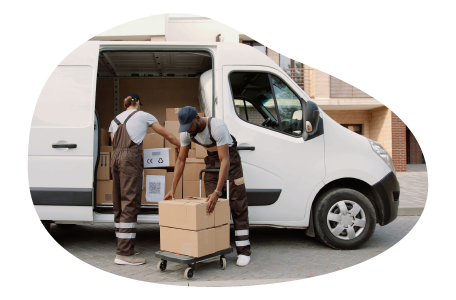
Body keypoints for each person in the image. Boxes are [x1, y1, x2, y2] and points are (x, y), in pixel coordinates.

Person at [164, 106, 251, 267]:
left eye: (189, 126)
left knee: (237, 205)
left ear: (197, 118)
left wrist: (218, 191)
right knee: (210, 205)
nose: (188, 131)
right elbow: (181, 160)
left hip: (229, 160)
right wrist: (172, 189)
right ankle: (216, 247)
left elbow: (225, 159)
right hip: (212, 160)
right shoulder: (186, 133)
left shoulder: (217, 127)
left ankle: (244, 251)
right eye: (184, 128)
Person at [109, 92, 181, 266]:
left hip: (115, 157)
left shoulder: (115, 120)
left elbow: (114, 142)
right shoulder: (144, 115)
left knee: (119, 202)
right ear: (138, 102)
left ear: (126, 104)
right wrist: (182, 146)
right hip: (129, 159)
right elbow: (168, 136)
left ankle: (123, 247)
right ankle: (125, 254)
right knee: (130, 202)